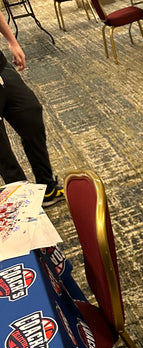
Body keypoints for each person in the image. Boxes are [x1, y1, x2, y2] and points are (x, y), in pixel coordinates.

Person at [0, 12, 64, 206]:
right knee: (2, 149)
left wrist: (12, 41)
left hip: (1, 69)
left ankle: (47, 188)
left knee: (31, 113)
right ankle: (24, 201)